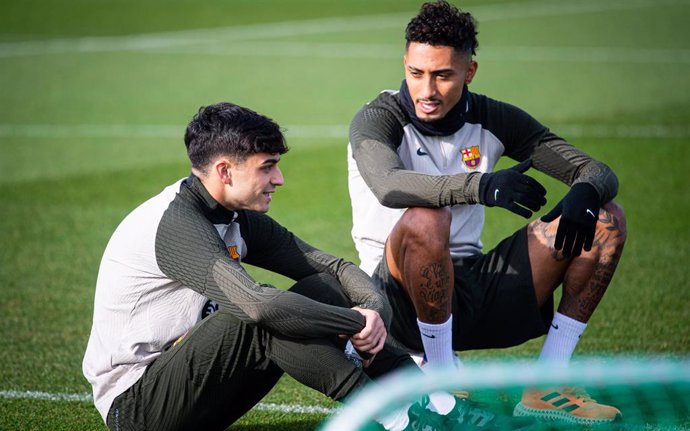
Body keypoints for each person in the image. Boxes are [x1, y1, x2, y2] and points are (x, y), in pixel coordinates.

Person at [347, 0, 627, 426]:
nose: (426, 90)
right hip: (392, 303)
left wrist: (586, 190)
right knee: (429, 217)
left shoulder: (492, 117)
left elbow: (595, 169)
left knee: (606, 221)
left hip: (470, 290)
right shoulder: (377, 118)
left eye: (442, 75)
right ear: (404, 62)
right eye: (416, 73)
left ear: (469, 72)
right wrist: (481, 186)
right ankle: (439, 379)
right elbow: (389, 186)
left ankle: (549, 382)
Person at [83, 102, 434, 431]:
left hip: (197, 388)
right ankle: (394, 419)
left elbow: (338, 268)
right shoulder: (175, 224)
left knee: (325, 285)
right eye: (267, 166)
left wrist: (374, 311)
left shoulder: (233, 215)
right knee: (258, 314)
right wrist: (356, 322)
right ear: (224, 171)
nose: (279, 179)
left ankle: (432, 402)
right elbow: (260, 307)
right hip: (135, 409)